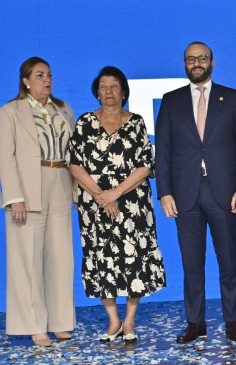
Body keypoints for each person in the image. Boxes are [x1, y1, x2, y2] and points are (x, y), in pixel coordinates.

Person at [155, 41, 236, 342]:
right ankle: (195, 322)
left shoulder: (232, 99)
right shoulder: (171, 101)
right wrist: (164, 193)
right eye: (190, 59)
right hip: (185, 194)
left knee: (228, 260)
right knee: (191, 262)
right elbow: (164, 151)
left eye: (202, 58)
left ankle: (232, 321)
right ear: (184, 64)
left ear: (212, 62)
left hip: (223, 193)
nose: (196, 63)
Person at [68, 66, 167, 343]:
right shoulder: (85, 122)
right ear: (97, 92)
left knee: (135, 260)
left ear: (123, 91)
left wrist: (115, 194)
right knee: (101, 259)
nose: (108, 91)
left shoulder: (136, 122)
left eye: (114, 86)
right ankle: (113, 321)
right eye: (103, 86)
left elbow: (145, 166)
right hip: (94, 203)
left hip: (132, 203)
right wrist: (101, 195)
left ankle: (130, 319)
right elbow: (75, 164)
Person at [0, 57, 76, 347]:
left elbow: (75, 154)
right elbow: (6, 158)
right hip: (29, 188)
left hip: (61, 182)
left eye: (50, 75)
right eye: (40, 75)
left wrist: (77, 190)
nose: (47, 80)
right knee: (27, 259)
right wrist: (15, 198)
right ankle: (34, 325)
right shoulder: (10, 112)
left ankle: (60, 322)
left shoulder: (63, 109)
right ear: (26, 81)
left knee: (61, 257)